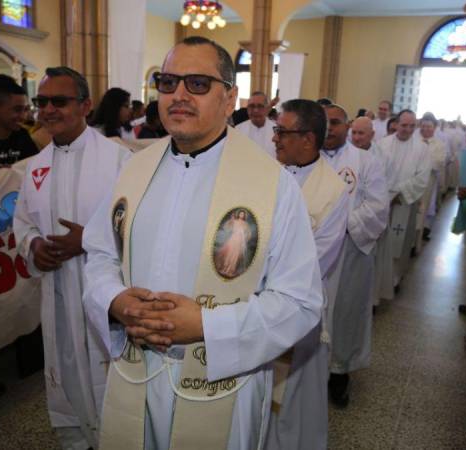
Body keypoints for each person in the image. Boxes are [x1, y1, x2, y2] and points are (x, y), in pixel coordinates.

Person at [82, 36, 322, 450]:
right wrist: (116, 301)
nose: (178, 95)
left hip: (223, 382)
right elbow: (101, 253)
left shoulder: (273, 185)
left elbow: (300, 301)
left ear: (229, 98)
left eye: (197, 84)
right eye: (168, 82)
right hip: (136, 370)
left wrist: (208, 327)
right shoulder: (133, 169)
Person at [13, 66, 131, 450]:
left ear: (85, 105)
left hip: (101, 293)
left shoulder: (119, 160)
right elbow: (23, 221)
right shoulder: (35, 166)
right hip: (58, 292)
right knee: (63, 374)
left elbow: (142, 222)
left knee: (105, 379)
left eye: (59, 101)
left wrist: (90, 240)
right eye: (42, 101)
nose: (48, 109)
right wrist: (33, 246)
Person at [265, 99, 349, 450]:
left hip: (299, 310)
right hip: (257, 305)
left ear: (308, 139)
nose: (275, 139)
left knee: (295, 404)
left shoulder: (334, 190)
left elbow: (317, 260)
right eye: (276, 130)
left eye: (283, 132)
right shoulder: (266, 174)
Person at [320, 110, 389, 408]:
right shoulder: (306, 158)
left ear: (347, 126)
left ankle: (339, 373)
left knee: (344, 314)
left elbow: (377, 206)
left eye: (335, 122)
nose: (329, 128)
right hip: (309, 253)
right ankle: (306, 371)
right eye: (323, 122)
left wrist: (338, 223)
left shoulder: (366, 161)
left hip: (349, 253)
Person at [374, 109, 431, 291]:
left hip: (403, 202)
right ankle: (375, 280)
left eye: (412, 126)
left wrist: (399, 194)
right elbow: (373, 171)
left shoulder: (422, 148)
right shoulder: (382, 144)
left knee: (399, 243)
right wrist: (382, 194)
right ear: (396, 124)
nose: (408, 129)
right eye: (404, 125)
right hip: (381, 201)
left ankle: (394, 279)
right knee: (378, 243)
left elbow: (422, 177)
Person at [414, 112, 446, 248]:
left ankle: (415, 242)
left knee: (422, 212)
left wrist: (421, 162)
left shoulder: (439, 145)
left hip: (428, 182)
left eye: (429, 126)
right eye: (424, 126)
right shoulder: (413, 140)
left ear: (434, 128)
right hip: (412, 180)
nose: (426, 129)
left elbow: (439, 162)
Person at [235, 91, 276, 158]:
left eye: (260, 106)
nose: (255, 110)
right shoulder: (238, 130)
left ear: (267, 109)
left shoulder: (276, 131)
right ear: (247, 109)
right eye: (251, 106)